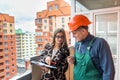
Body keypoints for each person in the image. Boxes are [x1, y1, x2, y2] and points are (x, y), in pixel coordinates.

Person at [67, 14, 115, 80]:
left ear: (83, 31)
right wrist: (73, 60)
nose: (73, 36)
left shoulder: (99, 43)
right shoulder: (77, 44)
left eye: (74, 33)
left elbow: (108, 72)